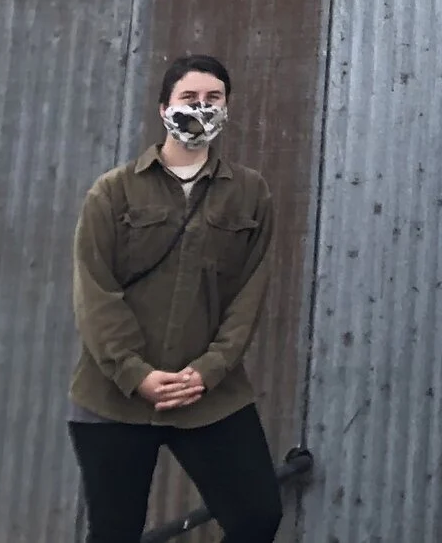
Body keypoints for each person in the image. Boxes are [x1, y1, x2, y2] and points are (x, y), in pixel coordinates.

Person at [68, 53, 281, 543]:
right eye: (189, 98)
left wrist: (209, 369)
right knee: (114, 531)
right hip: (113, 396)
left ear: (227, 109)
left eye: (214, 100)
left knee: (257, 516)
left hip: (209, 396)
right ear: (164, 107)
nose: (201, 109)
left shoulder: (250, 194)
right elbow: (94, 289)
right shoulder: (113, 193)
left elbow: (250, 291)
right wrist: (134, 372)